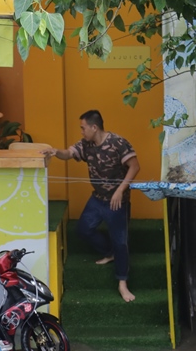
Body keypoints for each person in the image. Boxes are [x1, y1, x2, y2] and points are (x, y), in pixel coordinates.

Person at [44, 110, 140, 302]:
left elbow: (135, 166)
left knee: (121, 241)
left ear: (94, 127)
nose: (81, 132)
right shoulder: (86, 145)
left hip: (116, 200)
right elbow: (68, 153)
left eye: (83, 128)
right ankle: (109, 251)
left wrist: (120, 190)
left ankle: (122, 283)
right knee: (83, 229)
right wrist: (55, 152)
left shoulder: (118, 143)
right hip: (97, 198)